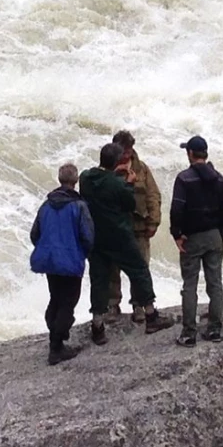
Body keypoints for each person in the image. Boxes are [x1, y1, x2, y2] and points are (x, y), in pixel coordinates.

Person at [79, 142, 174, 345]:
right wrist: (129, 183)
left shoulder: (86, 178)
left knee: (99, 280)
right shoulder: (118, 184)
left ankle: (97, 326)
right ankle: (150, 315)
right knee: (139, 270)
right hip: (119, 236)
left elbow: (99, 180)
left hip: (97, 238)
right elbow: (129, 204)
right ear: (116, 162)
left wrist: (114, 173)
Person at [169, 135, 223, 347]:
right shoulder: (220, 179)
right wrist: (220, 234)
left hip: (192, 237)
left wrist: (176, 234)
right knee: (215, 283)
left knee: (190, 284)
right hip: (214, 235)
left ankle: (188, 333)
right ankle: (214, 329)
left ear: (190, 154)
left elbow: (177, 209)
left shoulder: (184, 178)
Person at [29, 163, 95, 365]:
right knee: (68, 302)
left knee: (56, 298)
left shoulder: (46, 205)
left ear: (60, 180)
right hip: (71, 261)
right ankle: (56, 346)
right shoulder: (79, 206)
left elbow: (35, 234)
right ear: (75, 182)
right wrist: (81, 253)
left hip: (50, 261)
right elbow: (88, 236)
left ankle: (54, 333)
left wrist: (48, 249)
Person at [106, 130, 161, 324]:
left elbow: (153, 195)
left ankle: (138, 304)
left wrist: (153, 221)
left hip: (138, 228)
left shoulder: (142, 169)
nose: (126, 155)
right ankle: (112, 304)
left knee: (140, 268)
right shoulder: (106, 169)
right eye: (123, 151)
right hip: (114, 229)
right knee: (112, 269)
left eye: (129, 151)